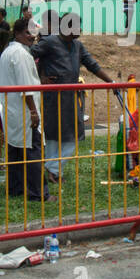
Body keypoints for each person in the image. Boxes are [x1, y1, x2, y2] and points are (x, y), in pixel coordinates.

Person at [31, 12, 115, 181]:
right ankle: (53, 171)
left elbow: (92, 65)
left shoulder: (78, 45)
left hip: (71, 98)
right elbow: (28, 57)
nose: (80, 30)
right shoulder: (49, 41)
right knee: (53, 133)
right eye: (77, 27)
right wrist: (40, 78)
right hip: (53, 98)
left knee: (73, 134)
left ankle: (51, 167)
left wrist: (111, 82)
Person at [0, 16, 51, 201]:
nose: (32, 36)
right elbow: (26, 87)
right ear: (17, 33)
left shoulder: (8, 52)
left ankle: (16, 189)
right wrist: (33, 111)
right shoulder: (21, 55)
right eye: (27, 32)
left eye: (34, 32)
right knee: (33, 151)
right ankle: (38, 194)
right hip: (25, 111)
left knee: (15, 150)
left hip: (11, 110)